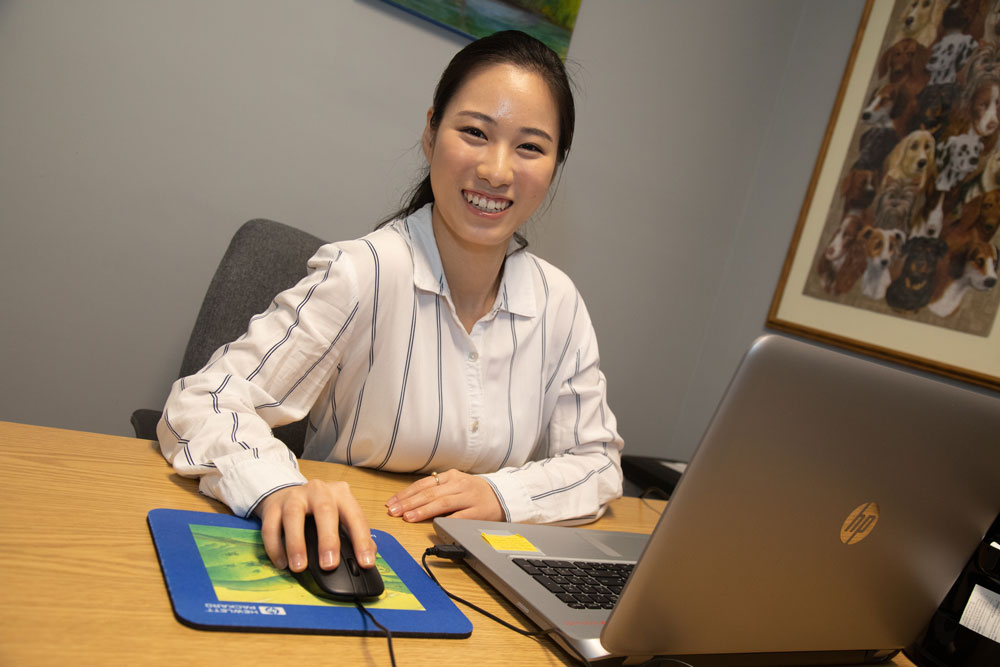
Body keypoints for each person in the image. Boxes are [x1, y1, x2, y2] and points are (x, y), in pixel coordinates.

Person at [158, 30, 623, 580]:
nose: (497, 171)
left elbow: (597, 462)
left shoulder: (559, 303)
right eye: (474, 132)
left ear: (554, 168)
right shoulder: (363, 272)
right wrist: (275, 487)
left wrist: (501, 493)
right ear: (431, 133)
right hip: (354, 552)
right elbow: (204, 401)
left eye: (530, 146)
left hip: (479, 570)